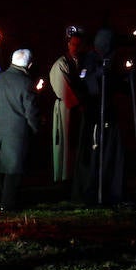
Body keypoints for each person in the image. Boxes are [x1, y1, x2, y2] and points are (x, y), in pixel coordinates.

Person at [74, 27, 132, 206]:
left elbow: (114, 84)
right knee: (94, 153)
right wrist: (98, 75)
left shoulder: (110, 59)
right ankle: (91, 190)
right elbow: (84, 82)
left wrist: (124, 81)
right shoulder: (90, 58)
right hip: (94, 116)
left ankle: (110, 190)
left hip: (108, 113)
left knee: (111, 153)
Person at [0, 48, 42, 213]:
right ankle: (8, 205)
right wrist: (34, 129)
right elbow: (31, 112)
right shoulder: (26, 83)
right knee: (13, 170)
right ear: (29, 65)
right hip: (18, 131)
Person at [48, 26, 86, 190]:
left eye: (79, 45)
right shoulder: (61, 64)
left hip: (76, 106)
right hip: (66, 107)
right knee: (65, 141)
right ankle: (63, 177)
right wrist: (78, 104)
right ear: (68, 44)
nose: (76, 48)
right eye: (73, 44)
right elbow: (64, 89)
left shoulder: (80, 62)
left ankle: (75, 174)